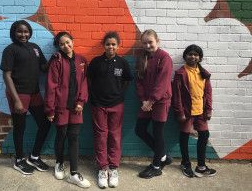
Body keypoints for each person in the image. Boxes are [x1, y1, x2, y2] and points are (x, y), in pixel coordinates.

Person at [0, 20, 51, 175]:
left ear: (30, 32)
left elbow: (44, 67)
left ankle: (34, 157)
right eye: (20, 32)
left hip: (34, 93)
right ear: (14, 33)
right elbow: (6, 75)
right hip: (19, 94)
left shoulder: (35, 47)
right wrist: (16, 100)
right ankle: (19, 160)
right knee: (20, 128)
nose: (23, 34)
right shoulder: (10, 50)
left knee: (45, 123)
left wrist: (57, 59)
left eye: (26, 31)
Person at [44, 31, 91, 188]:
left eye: (67, 42)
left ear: (72, 41)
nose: (66, 46)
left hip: (76, 108)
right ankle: (59, 163)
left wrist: (81, 102)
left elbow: (84, 83)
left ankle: (74, 173)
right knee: (61, 135)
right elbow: (51, 86)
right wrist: (50, 109)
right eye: (61, 44)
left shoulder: (82, 60)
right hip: (61, 108)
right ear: (58, 46)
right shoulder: (56, 62)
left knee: (74, 137)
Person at [88, 31, 133, 188]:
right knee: (101, 136)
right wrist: (94, 96)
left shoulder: (122, 63)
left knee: (114, 135)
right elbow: (89, 79)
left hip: (117, 105)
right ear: (104, 45)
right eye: (108, 44)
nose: (111, 46)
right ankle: (102, 168)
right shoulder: (95, 62)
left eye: (114, 44)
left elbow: (127, 80)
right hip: (98, 105)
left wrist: (119, 93)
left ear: (118, 46)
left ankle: (113, 168)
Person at [172, 44, 216, 178]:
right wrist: (180, 112)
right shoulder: (181, 73)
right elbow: (177, 95)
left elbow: (208, 93)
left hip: (201, 112)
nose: (193, 56)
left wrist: (208, 109)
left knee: (204, 135)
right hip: (187, 112)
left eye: (196, 54)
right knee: (184, 136)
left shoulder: (203, 73)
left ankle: (201, 166)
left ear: (200, 58)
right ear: (185, 56)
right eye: (190, 54)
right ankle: (185, 163)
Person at [134, 29, 173, 179]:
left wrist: (151, 101)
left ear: (157, 41)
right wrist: (144, 100)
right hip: (146, 102)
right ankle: (163, 155)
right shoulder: (142, 57)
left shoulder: (164, 58)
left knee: (158, 132)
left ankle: (156, 166)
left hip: (160, 101)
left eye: (150, 42)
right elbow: (139, 81)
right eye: (144, 43)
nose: (147, 45)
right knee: (140, 129)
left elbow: (162, 83)